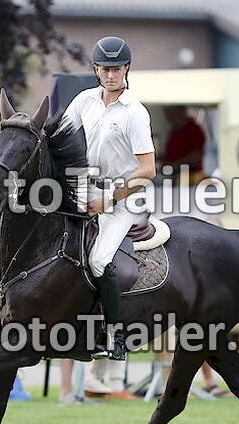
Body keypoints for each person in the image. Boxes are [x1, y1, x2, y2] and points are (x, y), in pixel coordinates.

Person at [58, 35, 156, 399]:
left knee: (99, 259)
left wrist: (109, 198)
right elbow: (62, 142)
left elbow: (147, 169)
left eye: (116, 69)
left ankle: (117, 338)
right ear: (95, 70)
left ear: (126, 69)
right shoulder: (84, 101)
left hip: (123, 197)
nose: (111, 75)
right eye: (105, 69)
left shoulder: (135, 112)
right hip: (82, 190)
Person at [161, 105, 206, 186]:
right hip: (173, 175)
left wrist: (175, 164)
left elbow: (197, 155)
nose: (168, 119)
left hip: (190, 177)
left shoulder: (194, 130)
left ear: (180, 112)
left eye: (171, 114)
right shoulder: (174, 131)